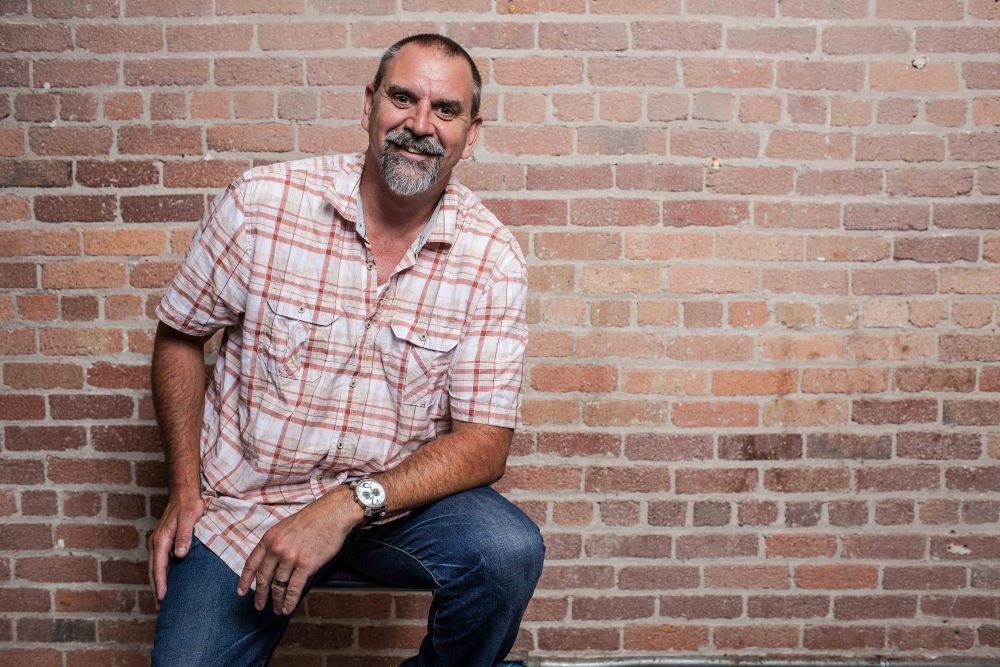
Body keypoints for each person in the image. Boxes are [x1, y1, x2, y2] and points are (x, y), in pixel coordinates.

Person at [148, 33, 544, 666]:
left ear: (472, 134)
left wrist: (346, 504)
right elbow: (180, 335)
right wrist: (185, 489)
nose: (420, 125)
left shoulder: (491, 259)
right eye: (403, 98)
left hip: (388, 509)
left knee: (507, 549)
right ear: (369, 105)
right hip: (245, 509)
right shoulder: (262, 204)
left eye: (446, 111)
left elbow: (484, 443)